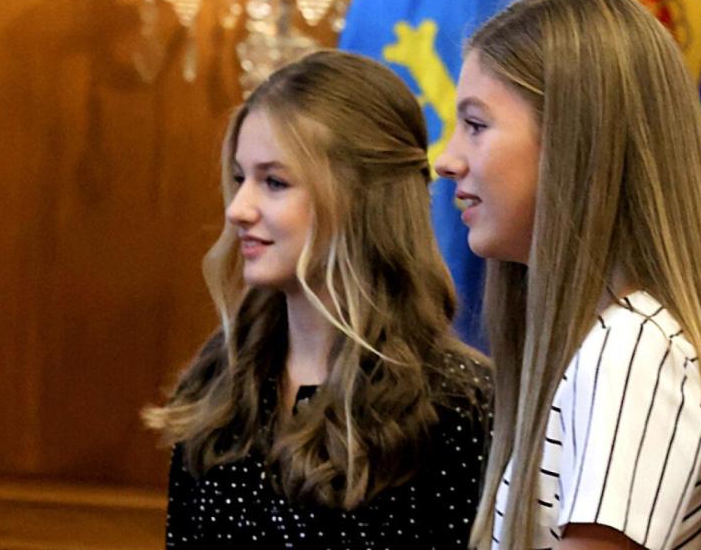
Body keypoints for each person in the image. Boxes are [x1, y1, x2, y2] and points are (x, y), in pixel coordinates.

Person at [435, 0, 701, 550]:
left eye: (476, 125)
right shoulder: (606, 342)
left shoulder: (631, 348)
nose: (448, 160)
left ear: (576, 140)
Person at [144, 50, 490, 549]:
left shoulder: (459, 406)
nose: (238, 209)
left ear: (361, 198)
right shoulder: (220, 375)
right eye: (241, 178)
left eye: (274, 182)